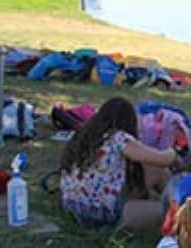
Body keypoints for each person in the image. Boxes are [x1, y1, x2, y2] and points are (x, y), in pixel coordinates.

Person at [59, 97, 180, 230]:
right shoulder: (119, 138)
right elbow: (163, 160)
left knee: (154, 170)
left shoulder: (85, 134)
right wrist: (172, 152)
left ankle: (177, 201)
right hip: (102, 214)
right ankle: (185, 206)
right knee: (169, 210)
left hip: (71, 204)